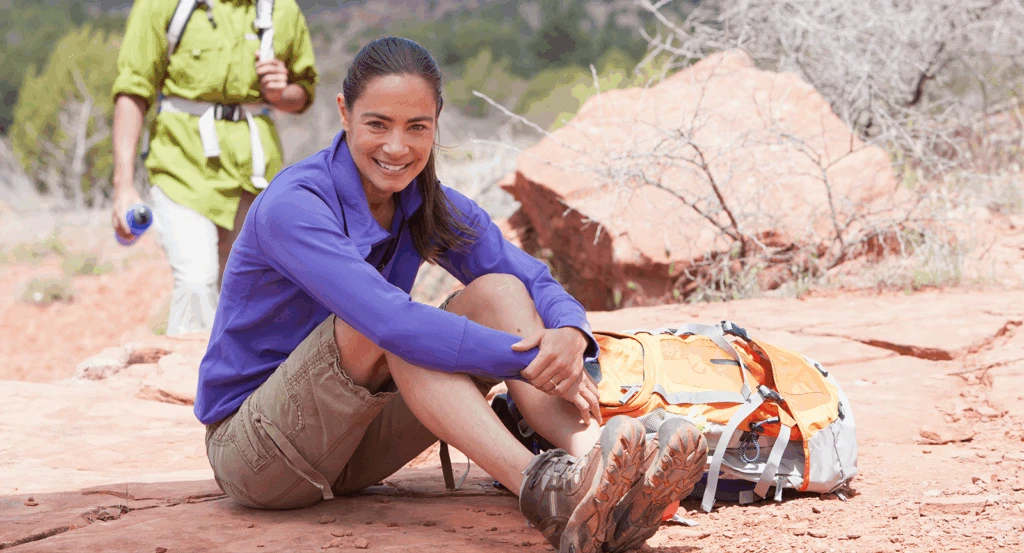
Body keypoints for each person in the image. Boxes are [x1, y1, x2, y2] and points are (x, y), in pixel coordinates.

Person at [194, 36, 706, 553]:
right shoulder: (295, 205)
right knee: (394, 327)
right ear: (344, 113)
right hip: (258, 455)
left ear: (436, 122)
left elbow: (530, 277)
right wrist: (526, 361)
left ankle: (595, 464)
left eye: (417, 127)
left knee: (499, 289)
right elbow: (392, 325)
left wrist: (570, 333)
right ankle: (539, 487)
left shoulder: (424, 202)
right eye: (377, 124)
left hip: (351, 445)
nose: (397, 147)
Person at [110, 0, 318, 336]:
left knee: (243, 290)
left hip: (254, 173)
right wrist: (123, 187)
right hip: (181, 165)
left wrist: (281, 92)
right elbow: (133, 89)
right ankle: (191, 382)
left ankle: (237, 383)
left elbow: (303, 92)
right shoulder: (162, 6)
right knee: (196, 278)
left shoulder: (282, 10)